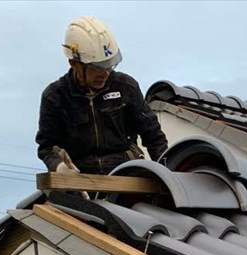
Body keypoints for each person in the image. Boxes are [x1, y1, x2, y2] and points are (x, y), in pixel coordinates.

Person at [36, 17, 168, 175]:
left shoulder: (126, 87)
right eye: (96, 67)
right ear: (74, 63)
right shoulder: (55, 97)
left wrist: (167, 174)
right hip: (80, 176)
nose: (105, 73)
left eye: (109, 64)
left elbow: (153, 135)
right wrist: (59, 167)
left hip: (125, 171)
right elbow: (47, 147)